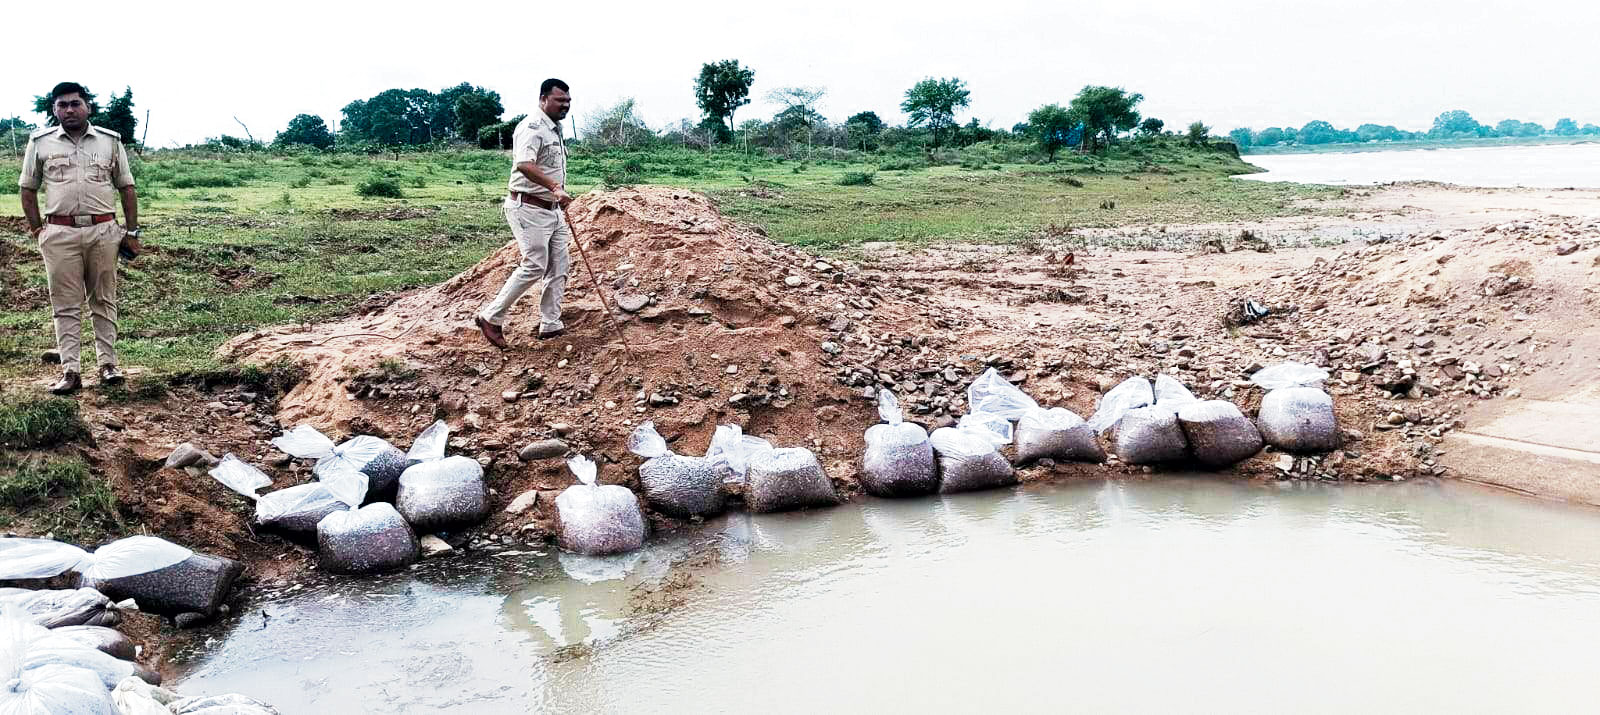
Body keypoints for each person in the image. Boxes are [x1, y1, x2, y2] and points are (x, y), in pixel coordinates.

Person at [18, 82, 140, 395]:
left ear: (87, 107)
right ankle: (70, 371)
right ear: (54, 109)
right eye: (62, 105)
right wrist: (37, 230)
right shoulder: (40, 142)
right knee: (65, 304)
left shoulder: (109, 141)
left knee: (103, 299)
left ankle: (108, 365)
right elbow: (27, 188)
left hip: (103, 232)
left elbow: (126, 187)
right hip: (59, 233)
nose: (69, 110)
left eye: (75, 103)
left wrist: (132, 231)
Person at [476, 78, 573, 348]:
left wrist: (557, 194)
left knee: (559, 265)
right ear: (543, 99)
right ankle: (491, 317)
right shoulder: (532, 127)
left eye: (568, 101)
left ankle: (550, 323)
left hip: (551, 209)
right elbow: (524, 164)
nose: (565, 105)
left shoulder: (556, 129)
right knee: (534, 264)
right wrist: (554, 186)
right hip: (528, 206)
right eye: (559, 101)